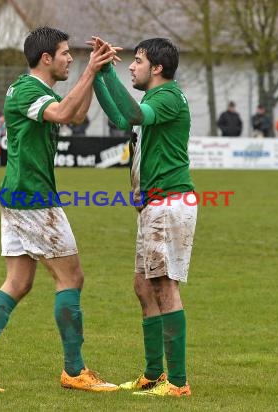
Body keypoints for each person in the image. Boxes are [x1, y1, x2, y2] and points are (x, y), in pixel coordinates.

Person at [0, 27, 118, 393]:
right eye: (64, 54)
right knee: (71, 278)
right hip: (33, 198)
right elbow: (62, 114)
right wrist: (89, 71)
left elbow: (75, 115)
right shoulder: (29, 90)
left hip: (19, 195)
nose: (69, 60)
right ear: (46, 58)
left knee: (19, 282)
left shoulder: (36, 90)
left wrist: (95, 72)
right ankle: (74, 371)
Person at [90, 36, 197, 397]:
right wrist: (100, 73)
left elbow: (132, 114)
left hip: (169, 204)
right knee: (143, 285)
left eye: (136, 60)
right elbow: (122, 116)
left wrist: (106, 71)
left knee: (164, 286)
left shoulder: (166, 97)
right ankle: (154, 375)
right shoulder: (153, 99)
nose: (131, 67)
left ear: (158, 68)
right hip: (154, 205)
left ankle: (178, 383)